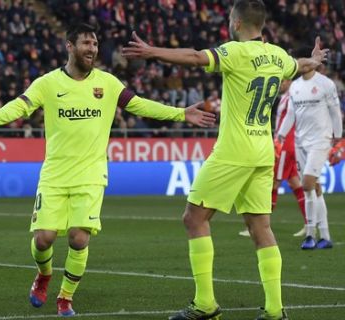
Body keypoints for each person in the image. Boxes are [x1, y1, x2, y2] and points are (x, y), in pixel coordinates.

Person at [0, 23, 215, 317]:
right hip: (54, 174)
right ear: (70, 46)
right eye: (86, 43)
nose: (92, 49)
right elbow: (22, 105)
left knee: (79, 237)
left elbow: (139, 105)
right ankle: (44, 275)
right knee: (43, 239)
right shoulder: (48, 83)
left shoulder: (108, 84)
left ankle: (65, 297)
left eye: (95, 43)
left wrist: (180, 113)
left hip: (91, 174)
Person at [122, 1, 327, 319]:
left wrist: (152, 51)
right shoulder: (277, 55)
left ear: (238, 22)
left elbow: (193, 57)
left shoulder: (236, 52)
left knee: (194, 218)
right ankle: (275, 310)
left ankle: (205, 303)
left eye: (231, 20)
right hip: (262, 150)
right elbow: (296, 66)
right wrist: (313, 60)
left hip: (234, 150)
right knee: (261, 227)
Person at [278, 65, 342, 250]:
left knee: (306, 183)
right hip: (300, 142)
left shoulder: (325, 84)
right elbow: (291, 114)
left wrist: (337, 138)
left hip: (320, 141)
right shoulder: (295, 86)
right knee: (312, 188)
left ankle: (312, 232)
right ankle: (320, 236)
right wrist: (281, 136)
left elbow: (335, 111)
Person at [239, 79, 307, 238]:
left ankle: (259, 226)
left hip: (285, 145)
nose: (280, 84)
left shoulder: (292, 96)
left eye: (282, 81)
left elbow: (292, 120)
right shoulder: (285, 96)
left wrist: (279, 141)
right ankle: (309, 223)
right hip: (287, 144)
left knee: (273, 183)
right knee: (295, 183)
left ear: (290, 81)